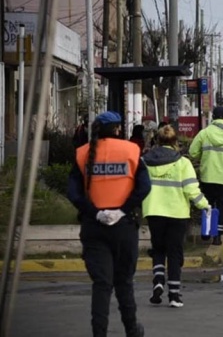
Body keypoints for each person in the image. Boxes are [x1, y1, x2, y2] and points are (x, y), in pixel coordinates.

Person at [66, 111, 151, 337]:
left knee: (102, 285)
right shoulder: (132, 151)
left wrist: (96, 213)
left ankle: (99, 333)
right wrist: (122, 211)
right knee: (124, 282)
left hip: (94, 229)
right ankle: (132, 330)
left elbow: (73, 193)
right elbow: (144, 187)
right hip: (124, 228)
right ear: (117, 129)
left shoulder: (82, 153)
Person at [141, 125, 211, 308]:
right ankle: (174, 295)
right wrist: (205, 205)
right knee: (174, 253)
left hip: (154, 211)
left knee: (158, 249)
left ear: (157, 141)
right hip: (177, 213)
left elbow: (138, 186)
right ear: (175, 142)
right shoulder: (183, 163)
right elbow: (191, 190)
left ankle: (157, 280)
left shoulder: (145, 161)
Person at [189, 106, 223, 245]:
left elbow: (192, 152)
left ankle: (206, 232)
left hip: (207, 177)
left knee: (208, 204)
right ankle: (217, 236)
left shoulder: (204, 133)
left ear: (213, 118)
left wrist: (203, 156)